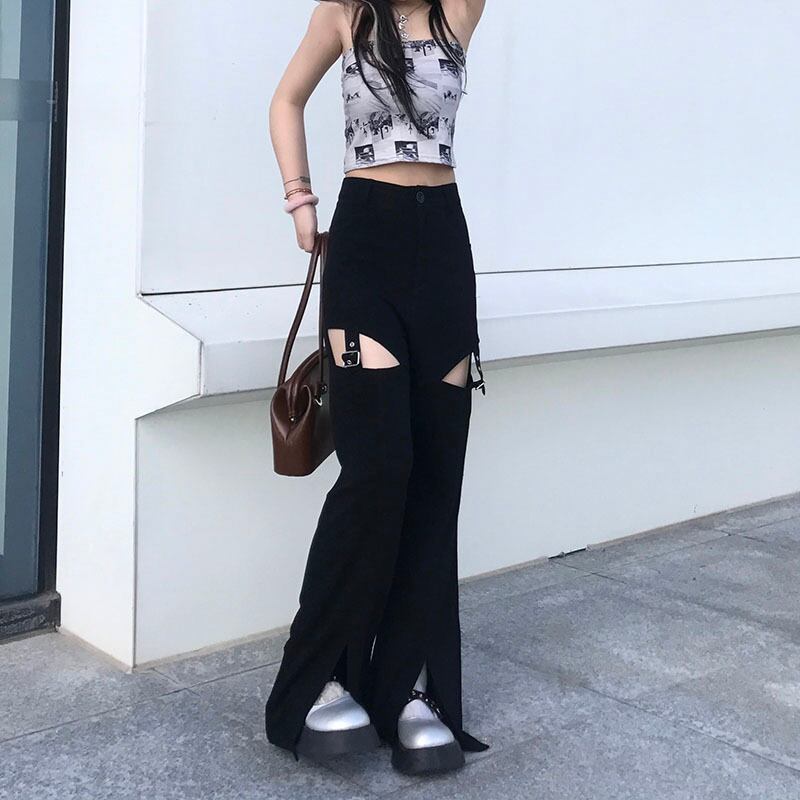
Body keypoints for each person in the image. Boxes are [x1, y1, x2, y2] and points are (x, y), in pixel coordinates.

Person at [264, 0, 489, 776]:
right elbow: (286, 98)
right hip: (366, 243)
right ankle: (317, 680)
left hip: (443, 245)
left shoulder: (460, 10)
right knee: (377, 472)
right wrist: (300, 200)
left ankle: (408, 686)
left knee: (435, 478)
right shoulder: (344, 13)